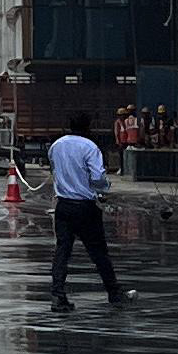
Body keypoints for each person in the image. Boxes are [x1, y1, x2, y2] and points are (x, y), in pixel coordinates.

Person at [47, 114, 126, 310]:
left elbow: (53, 169)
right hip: (85, 207)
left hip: (63, 206)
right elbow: (98, 177)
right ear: (87, 127)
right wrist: (104, 188)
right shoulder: (90, 147)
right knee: (98, 252)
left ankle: (57, 295)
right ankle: (114, 293)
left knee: (62, 251)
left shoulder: (56, 145)